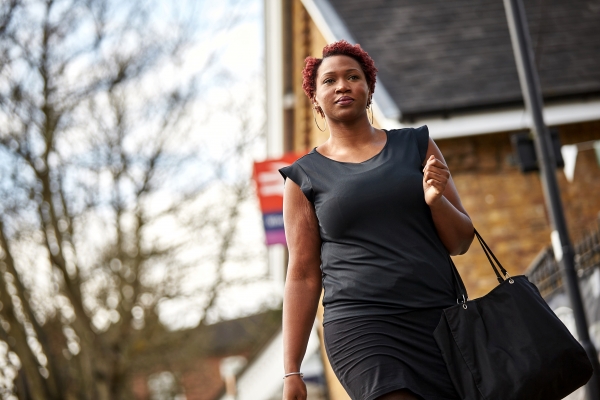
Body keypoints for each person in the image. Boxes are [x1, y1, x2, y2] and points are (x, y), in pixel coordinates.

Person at [279, 40, 474, 400]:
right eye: (329, 81)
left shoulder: (416, 146)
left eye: (353, 77)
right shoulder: (303, 176)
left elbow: (461, 241)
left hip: (439, 319)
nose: (342, 86)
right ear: (315, 99)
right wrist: (292, 368)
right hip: (361, 325)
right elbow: (303, 274)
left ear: (368, 91)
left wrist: (435, 202)